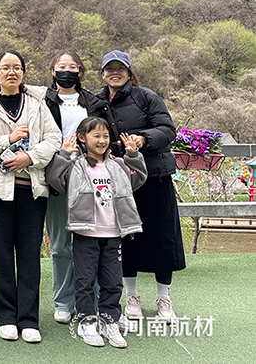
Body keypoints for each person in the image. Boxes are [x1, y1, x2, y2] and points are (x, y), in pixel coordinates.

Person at [0, 50, 61, 343]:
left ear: (23, 73)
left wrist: (29, 157)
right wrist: (7, 139)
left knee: (30, 255)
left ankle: (28, 319)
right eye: (5, 68)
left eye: (16, 67)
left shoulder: (37, 103)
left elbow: (54, 139)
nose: (11, 72)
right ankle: (6, 317)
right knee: (1, 255)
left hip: (33, 190)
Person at [97, 50, 185, 323]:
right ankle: (131, 297)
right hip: (119, 180)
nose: (115, 73)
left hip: (155, 176)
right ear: (102, 73)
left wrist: (143, 139)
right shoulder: (97, 102)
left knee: (162, 238)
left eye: (120, 69)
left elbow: (167, 130)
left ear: (129, 72)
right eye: (109, 69)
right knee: (126, 239)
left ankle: (164, 298)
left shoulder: (146, 97)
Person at [47, 117, 147, 348]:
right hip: (85, 235)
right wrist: (63, 154)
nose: (102, 141)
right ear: (82, 138)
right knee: (84, 282)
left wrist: (133, 155)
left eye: (105, 136)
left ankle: (109, 319)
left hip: (113, 235)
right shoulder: (76, 166)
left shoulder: (118, 165)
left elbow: (138, 179)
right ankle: (87, 321)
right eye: (96, 136)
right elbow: (55, 179)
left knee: (113, 282)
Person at [43, 50, 116, 324]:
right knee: (60, 245)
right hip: (57, 177)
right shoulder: (42, 102)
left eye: (73, 66)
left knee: (92, 243)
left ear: (81, 71)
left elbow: (108, 137)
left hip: (91, 178)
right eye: (61, 66)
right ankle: (64, 301)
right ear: (53, 71)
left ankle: (91, 299)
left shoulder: (95, 103)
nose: (67, 71)